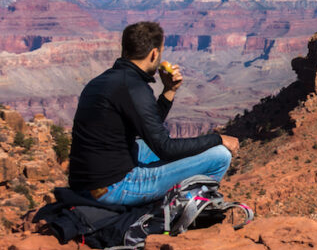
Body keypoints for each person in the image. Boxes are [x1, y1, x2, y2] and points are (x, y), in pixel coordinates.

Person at [67, 21, 240, 206]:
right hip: (113, 188)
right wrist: (218, 139)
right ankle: (185, 209)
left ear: (125, 49)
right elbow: (165, 147)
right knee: (220, 156)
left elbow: (147, 129)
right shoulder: (135, 87)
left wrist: (169, 91)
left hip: (85, 184)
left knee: (147, 145)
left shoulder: (103, 80)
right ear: (154, 53)